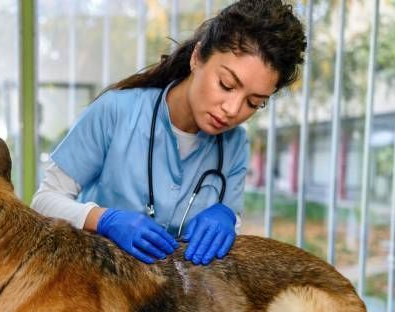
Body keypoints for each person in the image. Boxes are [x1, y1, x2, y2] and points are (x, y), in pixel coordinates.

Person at [31, 0, 306, 265]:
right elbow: (44, 201)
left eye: (253, 103)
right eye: (226, 84)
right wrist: (103, 219)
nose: (233, 110)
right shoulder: (116, 112)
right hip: (93, 287)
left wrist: (228, 219)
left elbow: (225, 226)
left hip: (169, 302)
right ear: (197, 58)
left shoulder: (234, 144)